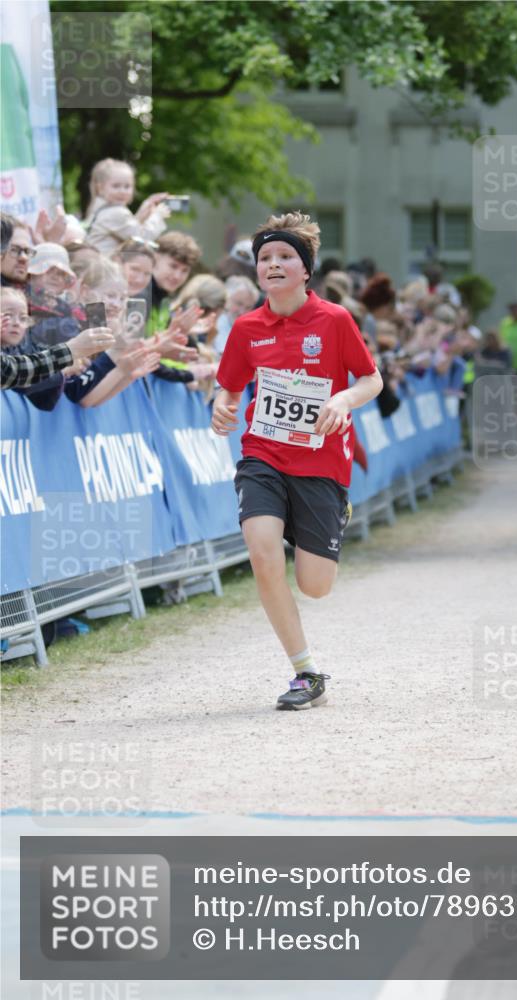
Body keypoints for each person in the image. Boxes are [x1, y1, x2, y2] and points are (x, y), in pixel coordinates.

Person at [212, 211, 382, 710]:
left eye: (286, 256)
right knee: (263, 554)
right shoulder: (247, 328)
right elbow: (229, 387)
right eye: (265, 257)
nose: (274, 263)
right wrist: (222, 407)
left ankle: (332, 514)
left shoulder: (334, 320)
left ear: (306, 269)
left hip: (320, 462)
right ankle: (305, 671)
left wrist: (342, 400)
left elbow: (371, 379)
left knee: (315, 585)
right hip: (262, 455)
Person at [1, 287, 114, 388]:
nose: (16, 323)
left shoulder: (26, 347)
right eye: (7, 315)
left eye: (23, 318)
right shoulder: (58, 326)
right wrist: (67, 361)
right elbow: (14, 374)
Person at [84, 158, 170, 255]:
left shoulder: (102, 209)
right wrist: (157, 216)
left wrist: (142, 214)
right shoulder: (115, 212)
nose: (122, 191)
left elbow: (127, 229)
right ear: (100, 188)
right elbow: (142, 238)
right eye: (116, 186)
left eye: (127, 186)